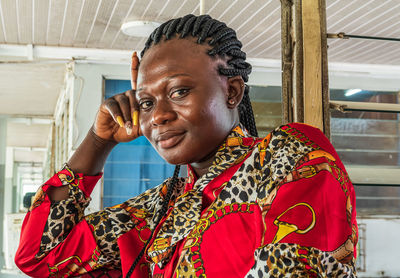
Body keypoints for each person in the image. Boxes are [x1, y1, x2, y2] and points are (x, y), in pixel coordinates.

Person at [15, 14, 358, 278]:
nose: (158, 116)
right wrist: (98, 139)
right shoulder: (164, 207)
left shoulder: (284, 156)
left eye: (179, 91)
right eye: (146, 102)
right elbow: (42, 256)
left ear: (232, 91)